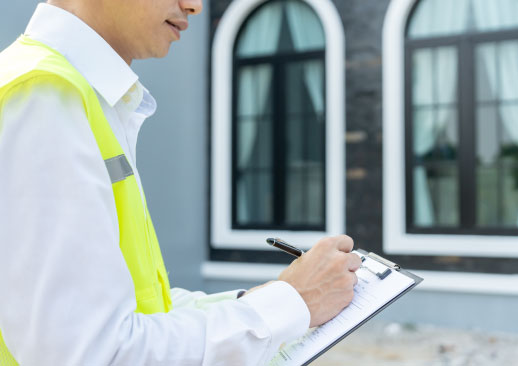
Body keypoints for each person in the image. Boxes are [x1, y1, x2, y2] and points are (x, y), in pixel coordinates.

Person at [0, 1, 362, 365]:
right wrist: (292, 303)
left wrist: (272, 298)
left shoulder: (64, 90)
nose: (195, 5)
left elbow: (138, 308)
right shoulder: (44, 95)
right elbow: (93, 353)